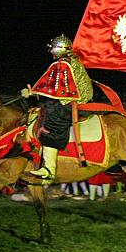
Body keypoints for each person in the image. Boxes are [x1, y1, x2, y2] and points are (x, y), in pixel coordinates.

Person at [20, 34, 93, 181]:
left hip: (72, 102)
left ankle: (49, 169)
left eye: (53, 48)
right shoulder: (71, 61)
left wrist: (31, 93)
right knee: (49, 107)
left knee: (52, 122)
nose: (51, 51)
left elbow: (51, 86)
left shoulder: (63, 64)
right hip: (75, 99)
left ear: (61, 49)